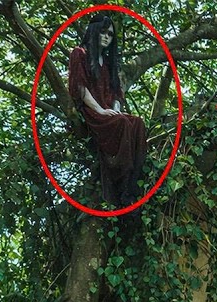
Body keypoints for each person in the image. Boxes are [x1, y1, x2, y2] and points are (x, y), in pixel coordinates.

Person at [66, 12, 149, 207]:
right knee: (121, 123)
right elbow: (80, 88)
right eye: (103, 32)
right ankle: (122, 181)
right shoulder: (80, 53)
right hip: (92, 111)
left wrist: (116, 108)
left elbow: (116, 93)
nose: (106, 37)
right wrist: (101, 111)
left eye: (110, 34)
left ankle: (132, 182)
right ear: (94, 32)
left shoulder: (109, 62)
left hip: (109, 111)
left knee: (136, 123)